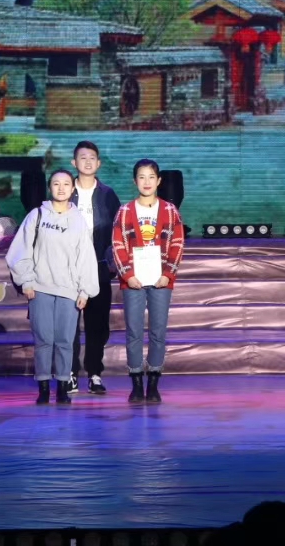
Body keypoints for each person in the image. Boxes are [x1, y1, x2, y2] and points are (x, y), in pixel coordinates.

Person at [6, 170, 100, 405]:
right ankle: (44, 388)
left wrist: (85, 290)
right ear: (50, 187)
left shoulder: (78, 220)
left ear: (72, 189)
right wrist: (26, 281)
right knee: (44, 339)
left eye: (66, 184)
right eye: (56, 183)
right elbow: (20, 250)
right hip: (40, 288)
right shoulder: (37, 215)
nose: (61, 188)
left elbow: (86, 257)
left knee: (65, 341)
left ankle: (63, 387)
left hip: (69, 290)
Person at [112, 159, 185, 403]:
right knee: (133, 331)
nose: (146, 182)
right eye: (141, 177)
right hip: (132, 280)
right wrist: (128, 275)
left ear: (159, 181)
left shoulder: (169, 210)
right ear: (135, 181)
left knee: (158, 331)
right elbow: (118, 244)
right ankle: (135, 382)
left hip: (161, 280)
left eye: (151, 177)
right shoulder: (125, 211)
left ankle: (153, 383)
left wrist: (168, 274)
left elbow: (177, 244)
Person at [68, 140, 120, 394]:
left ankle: (94, 373)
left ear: (98, 163)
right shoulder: (64, 189)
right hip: (68, 269)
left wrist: (112, 262)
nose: (87, 162)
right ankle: (69, 372)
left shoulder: (107, 194)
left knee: (97, 324)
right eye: (82, 157)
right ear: (73, 162)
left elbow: (118, 230)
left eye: (92, 158)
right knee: (68, 323)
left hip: (98, 267)